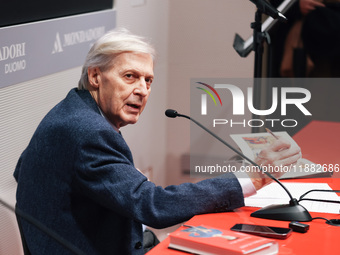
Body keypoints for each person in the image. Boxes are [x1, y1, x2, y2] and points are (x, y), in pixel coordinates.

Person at [14, 29, 301, 255]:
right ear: (95, 76)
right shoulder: (88, 131)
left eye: (148, 81)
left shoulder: (71, 111)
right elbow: (153, 206)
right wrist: (251, 177)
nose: (141, 90)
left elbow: (23, 167)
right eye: (130, 77)